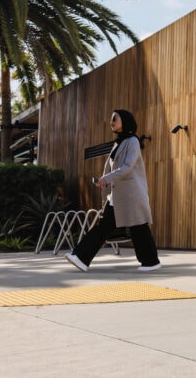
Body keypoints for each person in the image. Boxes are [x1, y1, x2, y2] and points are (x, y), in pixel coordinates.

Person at [65, 109, 162, 272]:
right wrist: (106, 182)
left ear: (124, 120)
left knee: (135, 227)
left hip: (131, 194)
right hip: (119, 195)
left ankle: (81, 256)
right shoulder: (119, 143)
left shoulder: (132, 141)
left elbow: (127, 167)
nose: (111, 122)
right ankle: (150, 261)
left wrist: (106, 179)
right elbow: (114, 168)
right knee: (127, 227)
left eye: (114, 119)